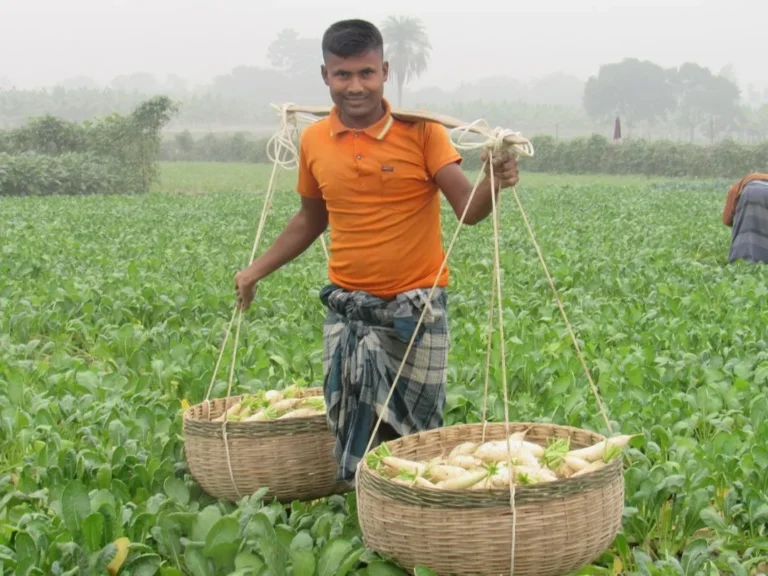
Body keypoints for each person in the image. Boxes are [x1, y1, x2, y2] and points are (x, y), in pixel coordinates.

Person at [234, 18, 519, 483]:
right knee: (352, 426)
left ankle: (417, 531)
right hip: (348, 311)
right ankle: (368, 520)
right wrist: (254, 271)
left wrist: (494, 179)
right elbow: (311, 217)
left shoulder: (423, 134)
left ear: (384, 71)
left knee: (416, 438)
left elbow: (468, 209)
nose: (355, 86)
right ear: (325, 75)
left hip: (415, 311)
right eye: (342, 74)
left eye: (365, 73)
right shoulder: (314, 141)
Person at [722, 172, 768, 265]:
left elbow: (726, 219)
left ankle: (745, 261)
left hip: (751, 191)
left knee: (747, 231)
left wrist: (738, 220)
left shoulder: (735, 188)